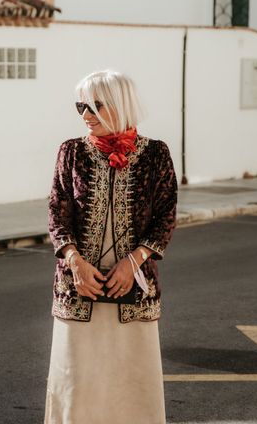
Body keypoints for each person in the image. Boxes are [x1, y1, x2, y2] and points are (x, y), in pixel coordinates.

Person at [45, 70, 177, 424]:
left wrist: (133, 263)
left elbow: (165, 217)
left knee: (131, 383)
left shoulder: (156, 154)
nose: (86, 114)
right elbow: (57, 213)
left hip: (134, 288)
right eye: (81, 106)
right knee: (77, 382)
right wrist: (74, 263)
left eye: (95, 105)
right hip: (78, 288)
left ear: (121, 105)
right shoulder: (70, 152)